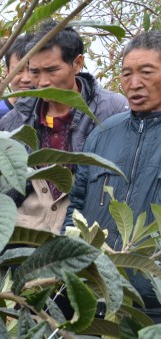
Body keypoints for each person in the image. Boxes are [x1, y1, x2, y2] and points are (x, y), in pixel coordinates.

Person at [66, 30, 161, 323]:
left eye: (147, 72)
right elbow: (76, 205)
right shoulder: (103, 134)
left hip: (154, 302)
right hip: (98, 294)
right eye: (127, 73)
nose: (135, 83)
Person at [0, 21, 128, 234]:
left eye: (52, 70)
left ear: (77, 63)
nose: (42, 82)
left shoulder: (112, 111)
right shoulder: (14, 121)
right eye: (35, 72)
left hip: (83, 231)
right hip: (24, 235)